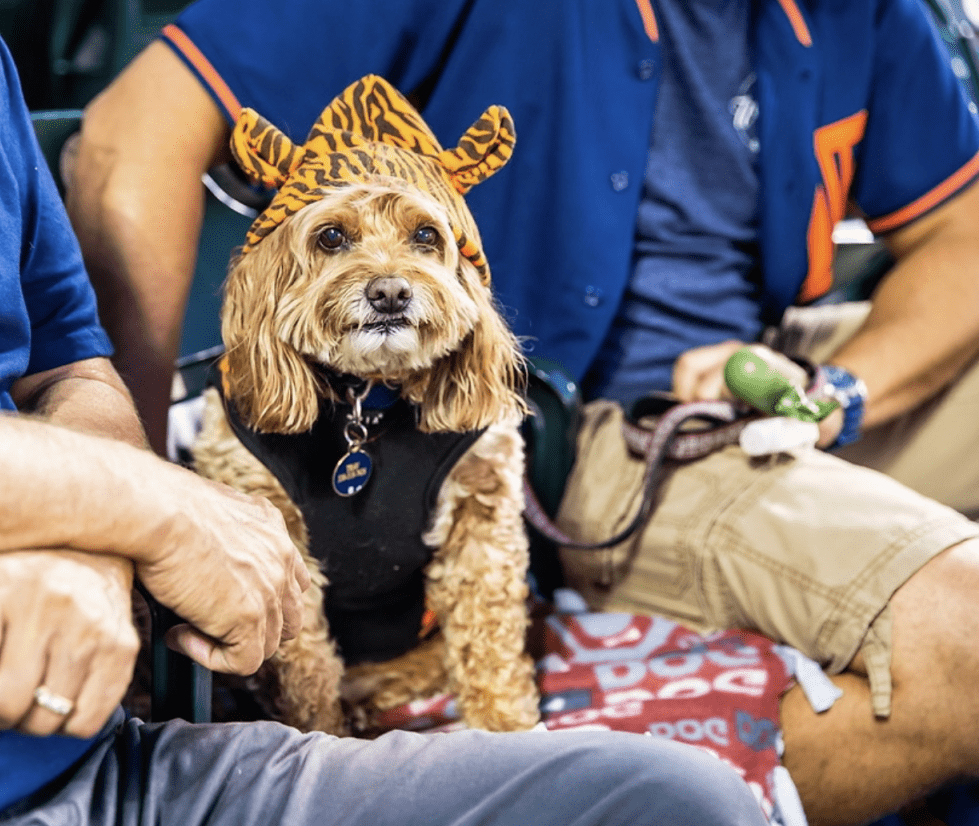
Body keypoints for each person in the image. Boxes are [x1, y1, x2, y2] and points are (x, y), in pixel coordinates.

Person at [0, 2, 773, 826]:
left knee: (681, 802)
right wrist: (142, 512)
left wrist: (81, 539)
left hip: (120, 771)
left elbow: (73, 367)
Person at [64, 1, 979, 824]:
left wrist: (838, 392)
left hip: (772, 358)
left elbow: (962, 235)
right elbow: (125, 143)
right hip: (599, 418)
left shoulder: (871, 16)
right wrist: (135, 496)